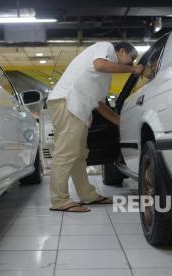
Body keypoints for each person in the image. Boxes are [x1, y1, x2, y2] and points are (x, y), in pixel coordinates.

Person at [47, 41, 144, 212]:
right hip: (68, 102)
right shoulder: (105, 47)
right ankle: (59, 200)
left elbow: (99, 104)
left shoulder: (105, 76)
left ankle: (88, 196)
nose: (132, 63)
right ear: (121, 51)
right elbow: (99, 65)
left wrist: (121, 122)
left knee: (78, 156)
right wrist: (133, 70)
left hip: (78, 108)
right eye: (132, 58)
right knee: (66, 153)